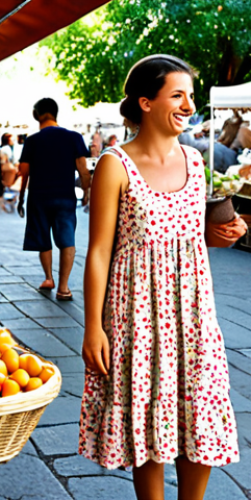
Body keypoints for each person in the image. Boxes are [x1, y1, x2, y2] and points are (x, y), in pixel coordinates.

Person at [79, 55, 246, 500]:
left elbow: (190, 238)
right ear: (146, 102)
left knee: (202, 417)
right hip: (137, 317)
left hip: (194, 317)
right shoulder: (114, 164)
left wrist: (223, 234)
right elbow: (99, 251)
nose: (189, 105)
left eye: (190, 96)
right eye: (178, 95)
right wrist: (92, 327)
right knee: (148, 430)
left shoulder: (195, 160)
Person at [17, 98, 90, 300]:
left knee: (43, 238)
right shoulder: (73, 137)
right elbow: (83, 171)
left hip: (39, 198)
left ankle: (49, 278)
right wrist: (86, 192)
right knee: (67, 240)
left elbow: (24, 172)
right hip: (65, 197)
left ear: (37, 114)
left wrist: (21, 197)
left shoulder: (32, 141)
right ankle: (64, 287)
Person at [0, 132, 20, 212]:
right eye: (12, 138)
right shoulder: (6, 149)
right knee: (10, 186)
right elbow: (4, 161)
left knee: (9, 187)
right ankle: (7, 202)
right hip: (8, 170)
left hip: (8, 170)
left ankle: (8, 201)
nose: (14, 140)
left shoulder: (7, 148)